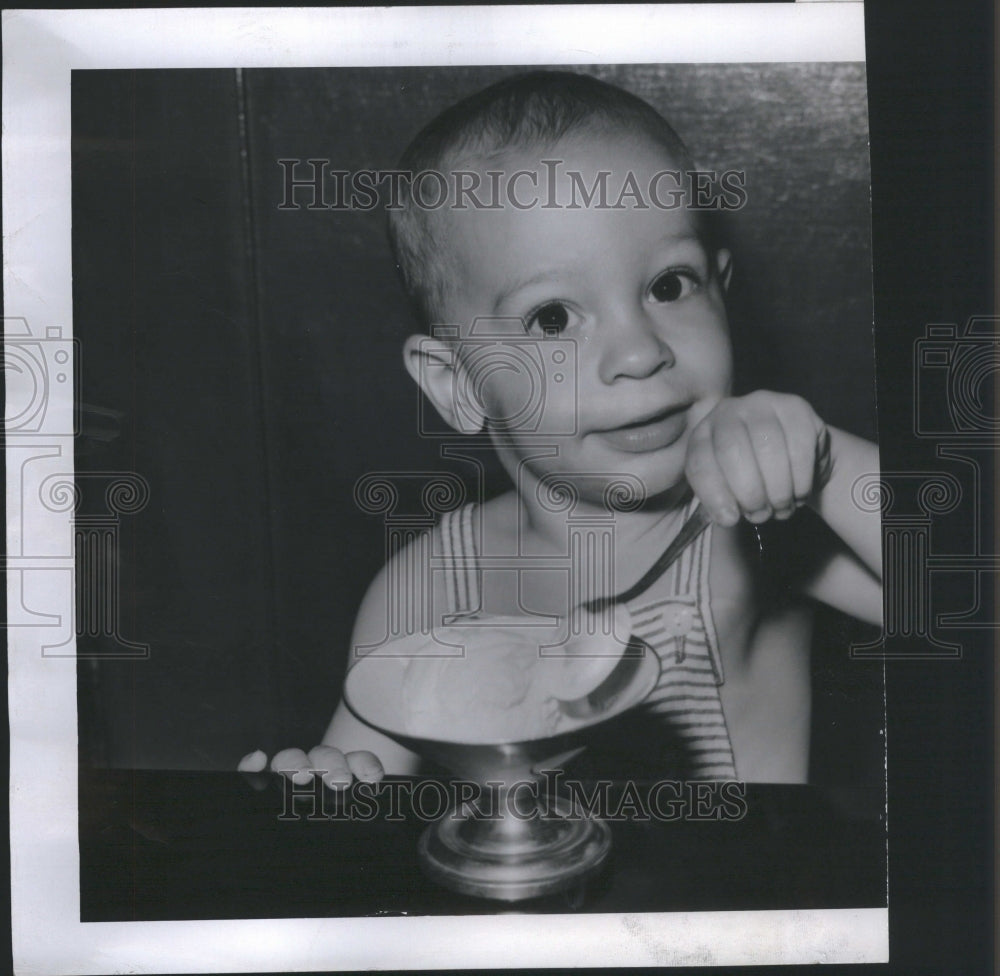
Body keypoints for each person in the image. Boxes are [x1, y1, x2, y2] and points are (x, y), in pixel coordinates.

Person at [240, 70, 881, 787]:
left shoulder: (754, 526)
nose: (641, 352)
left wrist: (827, 467)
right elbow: (370, 795)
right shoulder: (427, 589)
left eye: (669, 285)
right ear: (458, 384)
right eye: (552, 318)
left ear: (722, 293)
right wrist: (331, 785)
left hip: (742, 892)